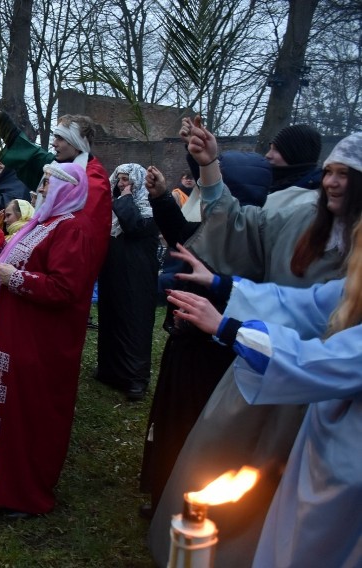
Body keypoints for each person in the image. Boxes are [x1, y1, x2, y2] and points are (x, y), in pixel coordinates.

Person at [148, 125, 362, 567]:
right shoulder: (299, 211)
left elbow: (329, 339)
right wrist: (222, 286)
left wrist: (229, 325)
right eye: (331, 171)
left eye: (347, 175)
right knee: (227, 463)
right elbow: (296, 297)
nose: (333, 182)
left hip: (323, 381)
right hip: (267, 353)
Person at [166, 235, 362, 568]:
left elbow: (316, 361)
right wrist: (219, 282)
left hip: (349, 462)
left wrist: (229, 329)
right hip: (327, 443)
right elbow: (301, 304)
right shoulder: (350, 286)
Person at [0, 161, 110, 517]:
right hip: (16, 334)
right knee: (9, 412)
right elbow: (16, 263)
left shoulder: (72, 229)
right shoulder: (42, 223)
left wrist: (16, 279)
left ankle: (26, 494)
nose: (41, 188)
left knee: (28, 415)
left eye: (48, 183)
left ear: (67, 189)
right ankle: (3, 488)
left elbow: (65, 288)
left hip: (39, 342)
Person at [139, 151, 271, 518]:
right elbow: (184, 238)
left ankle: (189, 502)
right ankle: (165, 492)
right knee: (171, 421)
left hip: (217, 357)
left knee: (197, 430)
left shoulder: (258, 243)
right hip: (187, 346)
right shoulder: (220, 227)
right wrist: (163, 197)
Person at [0, 99, 111, 248]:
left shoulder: (94, 178)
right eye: (55, 137)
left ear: (77, 143)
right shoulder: (55, 165)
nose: (53, 143)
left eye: (60, 138)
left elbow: (85, 227)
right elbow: (26, 149)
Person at [94, 164, 159, 401]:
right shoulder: (115, 208)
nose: (122, 184)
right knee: (111, 318)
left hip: (137, 276)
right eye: (120, 179)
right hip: (114, 272)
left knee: (134, 324)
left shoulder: (150, 209)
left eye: (127, 180)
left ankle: (135, 379)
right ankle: (109, 370)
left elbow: (133, 226)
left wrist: (126, 198)